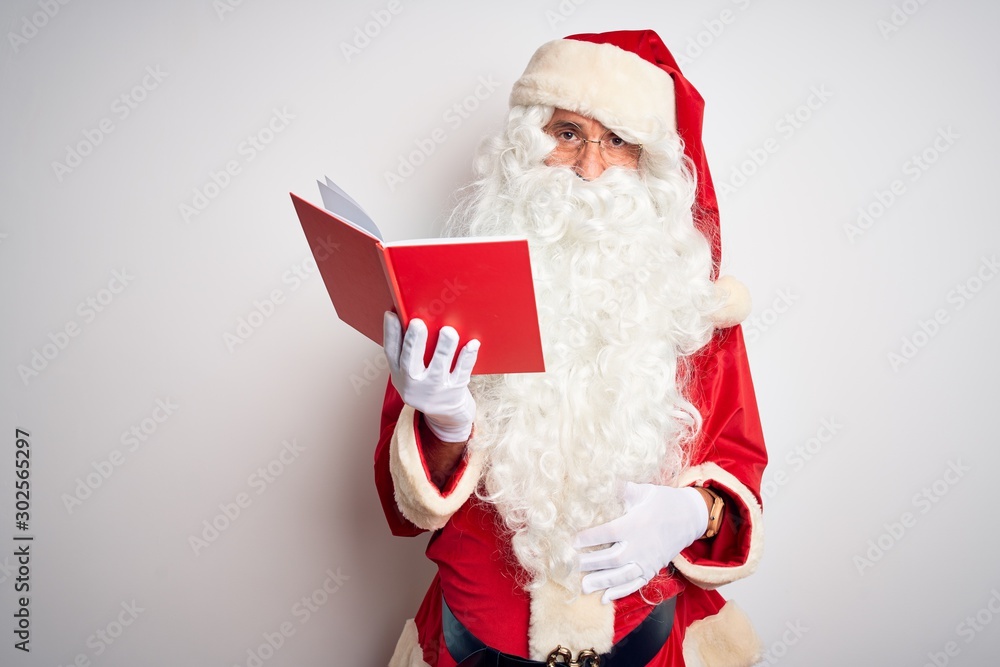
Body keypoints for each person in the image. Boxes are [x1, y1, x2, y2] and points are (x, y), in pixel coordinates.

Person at [375, 30, 767, 667]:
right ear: (528, 144)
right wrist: (442, 423)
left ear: (653, 163)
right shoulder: (449, 292)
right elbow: (403, 508)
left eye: (617, 141)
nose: (589, 167)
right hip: (471, 650)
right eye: (567, 133)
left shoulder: (697, 311)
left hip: (648, 647)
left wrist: (693, 514)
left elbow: (740, 464)